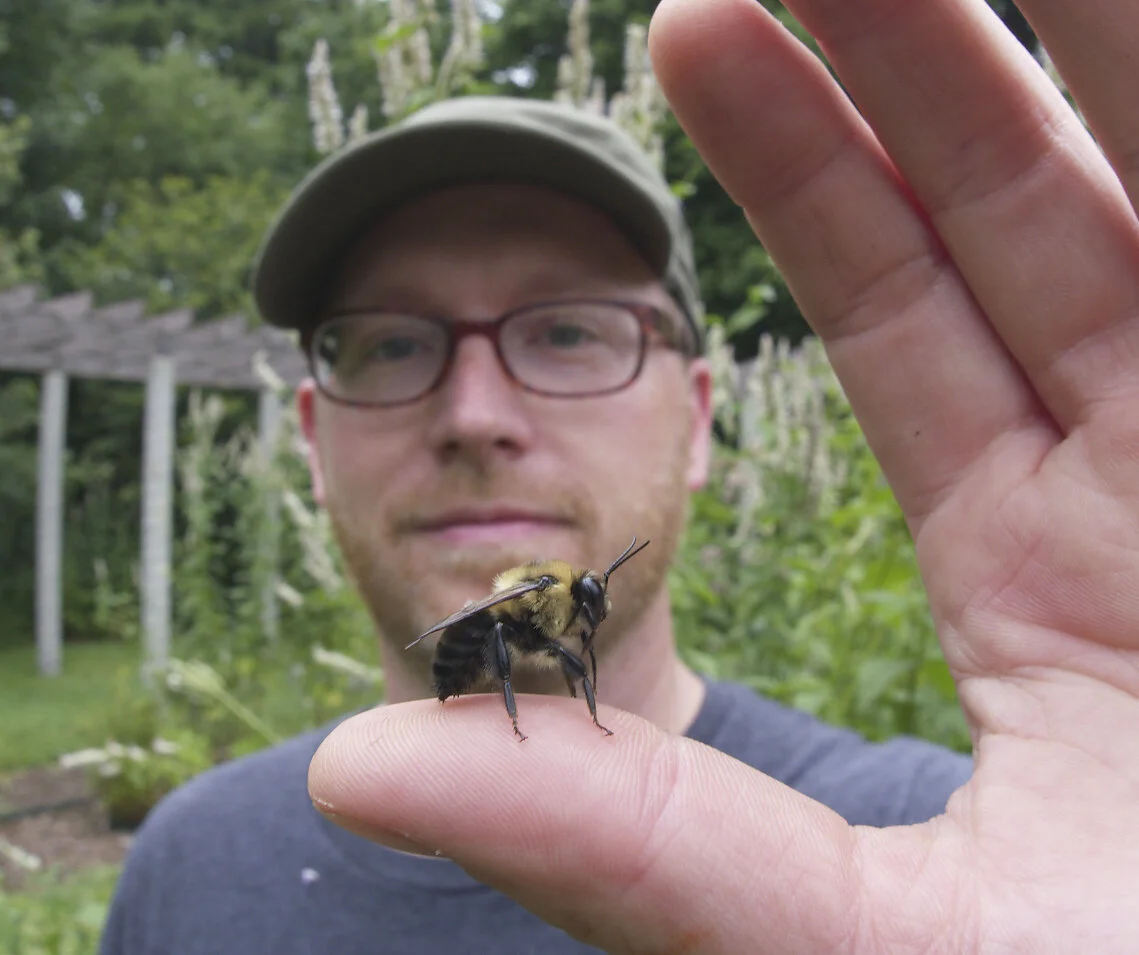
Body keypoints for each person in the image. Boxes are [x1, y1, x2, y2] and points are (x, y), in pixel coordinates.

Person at [101, 0, 1139, 951]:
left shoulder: (926, 836)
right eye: (392, 343)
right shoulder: (183, 873)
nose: (474, 416)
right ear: (311, 441)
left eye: (564, 331)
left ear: (697, 422)